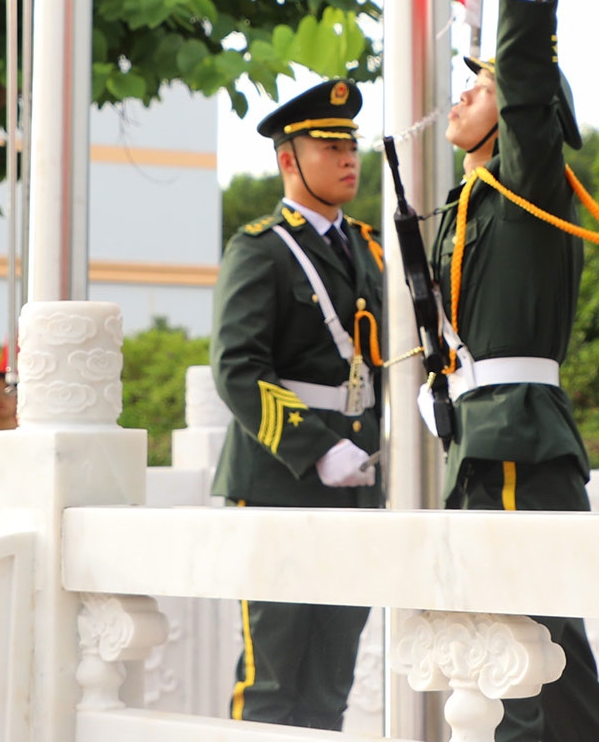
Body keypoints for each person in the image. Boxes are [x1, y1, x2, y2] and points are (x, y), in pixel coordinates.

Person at [429, 0, 599, 742]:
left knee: (538, 647)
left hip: (518, 436)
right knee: (509, 647)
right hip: (479, 435)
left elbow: (522, 86)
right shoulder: (466, 203)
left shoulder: (529, 184)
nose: (460, 97)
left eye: (475, 89)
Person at [209, 76, 386, 730]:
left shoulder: (369, 247)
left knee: (331, 677)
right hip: (280, 482)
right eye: (330, 147)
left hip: (358, 482)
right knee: (273, 677)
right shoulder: (261, 248)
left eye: (351, 146)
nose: (348, 159)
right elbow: (236, 368)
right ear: (289, 159)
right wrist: (316, 447)